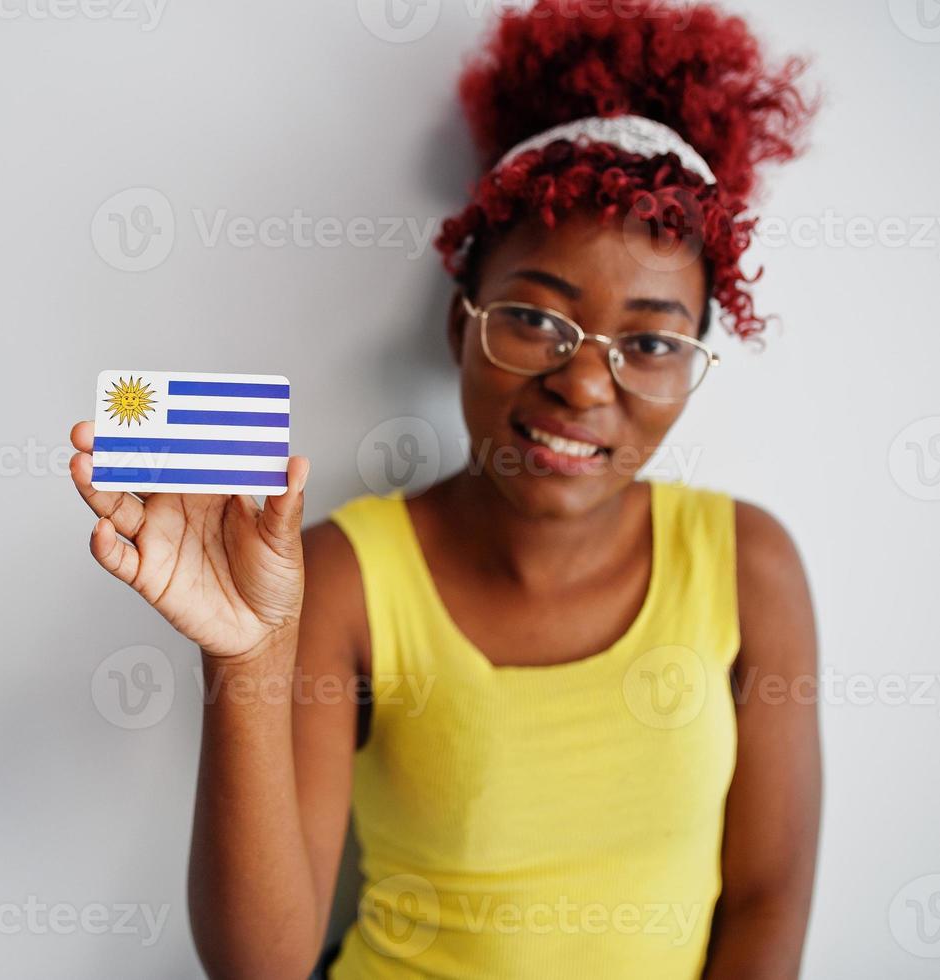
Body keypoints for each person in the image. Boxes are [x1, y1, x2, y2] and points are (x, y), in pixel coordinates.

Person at [69, 1, 821, 976]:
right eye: (535, 318)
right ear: (460, 327)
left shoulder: (748, 564)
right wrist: (247, 657)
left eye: (649, 342)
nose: (585, 383)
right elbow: (264, 964)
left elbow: (767, 902)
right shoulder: (344, 572)